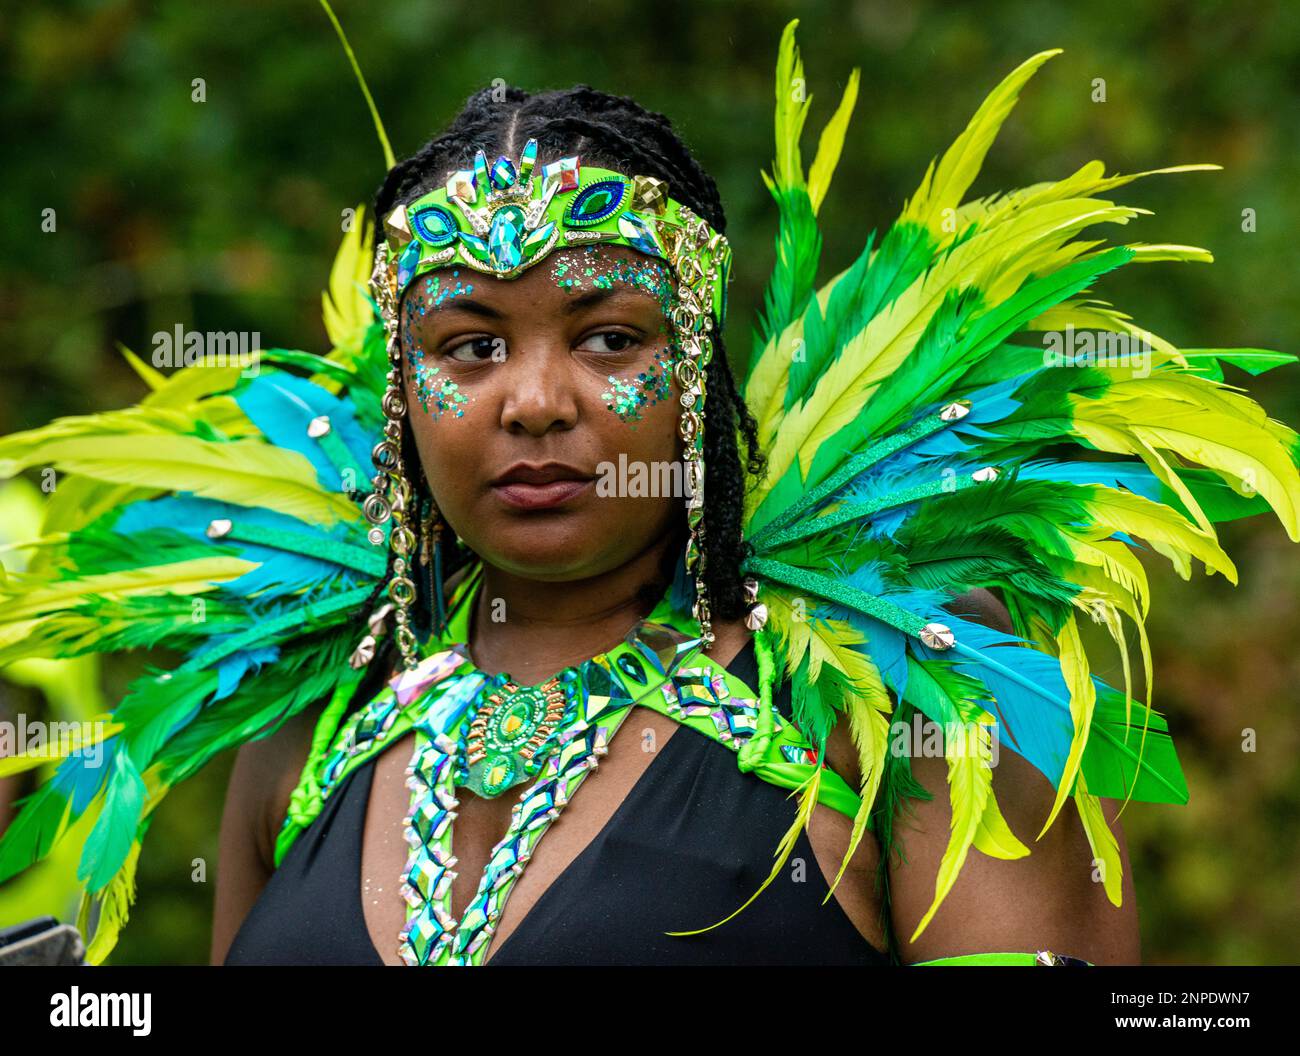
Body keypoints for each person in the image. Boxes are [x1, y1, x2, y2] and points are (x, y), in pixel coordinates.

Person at [1, 18, 1296, 967]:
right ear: (401, 397)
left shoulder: (912, 702)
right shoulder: (308, 731)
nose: (535, 400)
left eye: (610, 338)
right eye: (469, 347)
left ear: (699, 383)